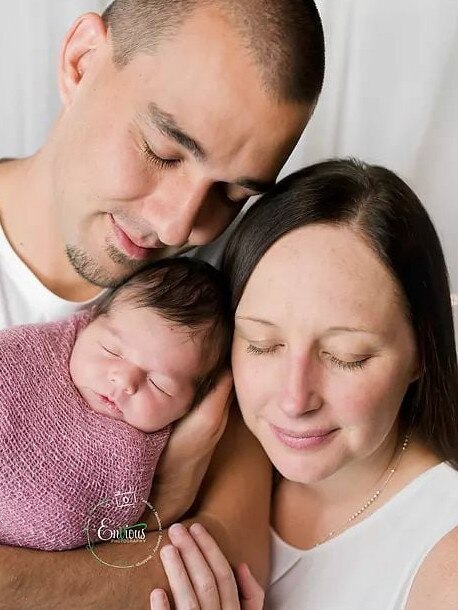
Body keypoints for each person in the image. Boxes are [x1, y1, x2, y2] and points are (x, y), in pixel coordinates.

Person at [0, 1, 325, 606]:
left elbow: (221, 568)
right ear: (81, 61)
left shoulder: (226, 300)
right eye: (163, 151)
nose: (179, 227)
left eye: (230, 193)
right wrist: (166, 507)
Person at [150, 159, 458, 610]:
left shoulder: (443, 557)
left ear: (420, 354)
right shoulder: (200, 441)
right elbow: (106, 538)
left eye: (346, 357)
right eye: (262, 344)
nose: (295, 400)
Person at [0, 257, 232, 551]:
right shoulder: (25, 356)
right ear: (89, 321)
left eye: (159, 384)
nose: (125, 381)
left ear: (189, 407)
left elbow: (122, 537)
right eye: (112, 351)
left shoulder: (141, 463)